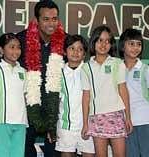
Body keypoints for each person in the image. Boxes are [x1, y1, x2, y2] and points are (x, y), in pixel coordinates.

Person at [16, 1, 65, 156]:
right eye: (46, 19)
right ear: (36, 20)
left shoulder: (67, 42)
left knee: (54, 151)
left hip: (55, 105)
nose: (51, 23)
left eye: (54, 19)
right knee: (25, 149)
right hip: (28, 104)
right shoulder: (20, 41)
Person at [81, 25, 133, 157]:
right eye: (100, 40)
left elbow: (123, 90)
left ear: (111, 44)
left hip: (116, 115)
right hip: (96, 117)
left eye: (107, 41)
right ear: (94, 42)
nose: (103, 44)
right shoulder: (86, 67)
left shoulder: (117, 63)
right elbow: (86, 96)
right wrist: (85, 123)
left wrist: (128, 118)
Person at [55, 34, 95, 157]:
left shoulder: (89, 70)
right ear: (65, 51)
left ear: (84, 54)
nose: (76, 52)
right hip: (65, 126)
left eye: (80, 49)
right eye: (72, 48)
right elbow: (54, 101)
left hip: (88, 125)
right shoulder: (57, 72)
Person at [0, 33, 28, 157]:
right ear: (1, 50)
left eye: (18, 47)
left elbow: (25, 97)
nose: (16, 51)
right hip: (1, 122)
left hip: (21, 122)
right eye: (11, 47)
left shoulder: (23, 71)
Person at [119, 28, 149, 157]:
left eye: (139, 44)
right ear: (122, 46)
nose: (135, 48)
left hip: (145, 120)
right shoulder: (117, 67)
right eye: (131, 44)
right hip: (125, 121)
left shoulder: (145, 68)